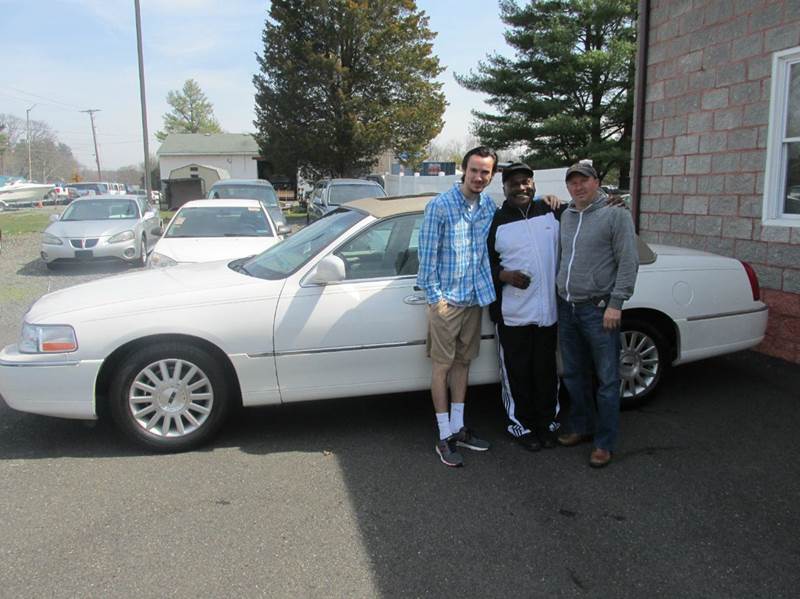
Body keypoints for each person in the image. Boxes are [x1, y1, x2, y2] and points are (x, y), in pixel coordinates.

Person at [417, 146, 498, 467]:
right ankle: (443, 435)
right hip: (447, 302)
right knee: (442, 367)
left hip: (474, 300)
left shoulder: (488, 205)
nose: (479, 177)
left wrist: (549, 203)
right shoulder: (440, 206)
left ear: (492, 176)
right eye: (474, 170)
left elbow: (519, 209)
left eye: (486, 172)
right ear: (463, 170)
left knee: (464, 364)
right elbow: (427, 258)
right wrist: (436, 301)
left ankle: (459, 427)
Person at [555, 163, 639, 468]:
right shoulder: (566, 215)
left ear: (597, 182)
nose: (578, 187)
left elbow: (629, 262)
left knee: (606, 379)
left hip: (599, 309)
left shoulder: (616, 214)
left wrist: (616, 303)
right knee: (575, 376)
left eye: (584, 181)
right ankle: (582, 426)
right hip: (567, 307)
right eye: (572, 182)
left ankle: (604, 442)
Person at [487, 163, 562, 452]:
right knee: (517, 372)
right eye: (514, 183)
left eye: (526, 181)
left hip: (547, 312)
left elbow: (586, 211)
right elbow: (482, 263)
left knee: (546, 372)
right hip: (512, 314)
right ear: (504, 188)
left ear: (534, 184)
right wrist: (503, 275)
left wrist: (610, 200)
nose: (521, 187)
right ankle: (521, 424)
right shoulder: (496, 222)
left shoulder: (551, 212)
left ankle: (548, 423)